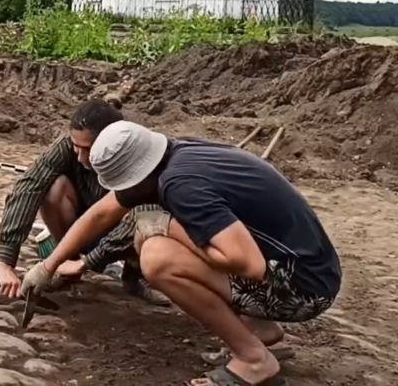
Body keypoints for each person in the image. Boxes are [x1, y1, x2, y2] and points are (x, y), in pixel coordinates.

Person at [21, 121, 342, 386]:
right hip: (308, 269)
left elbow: (248, 263)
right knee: (150, 236)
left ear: (135, 175)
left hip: (302, 289)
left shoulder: (182, 186)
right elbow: (100, 215)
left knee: (158, 258)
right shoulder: (176, 153)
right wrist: (49, 266)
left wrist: (171, 228)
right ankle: (258, 330)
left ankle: (254, 360)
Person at [0, 98, 167, 304]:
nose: (80, 157)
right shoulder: (66, 147)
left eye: (88, 149)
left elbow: (146, 217)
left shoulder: (138, 157)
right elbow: (29, 186)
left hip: (122, 233)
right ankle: (68, 262)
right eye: (76, 147)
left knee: (146, 219)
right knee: (53, 189)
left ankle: (135, 277)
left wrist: (89, 262)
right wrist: (5, 260)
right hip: (81, 227)